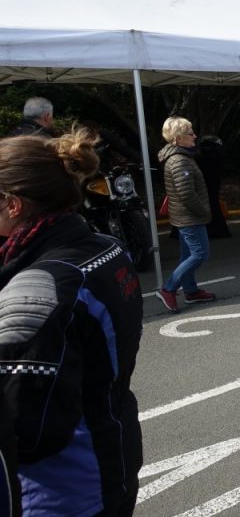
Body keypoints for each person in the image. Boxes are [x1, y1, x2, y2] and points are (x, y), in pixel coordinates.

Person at [0, 130, 143, 514]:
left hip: (62, 486)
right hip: (114, 441)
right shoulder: (103, 246)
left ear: (13, 205)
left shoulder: (38, 287)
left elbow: (27, 429)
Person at [157, 116, 216, 312]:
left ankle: (191, 291)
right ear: (178, 138)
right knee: (200, 254)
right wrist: (204, 211)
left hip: (183, 216)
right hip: (189, 216)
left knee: (188, 254)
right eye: (190, 133)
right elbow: (186, 194)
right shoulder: (179, 161)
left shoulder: (180, 157)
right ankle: (168, 288)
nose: (195, 136)